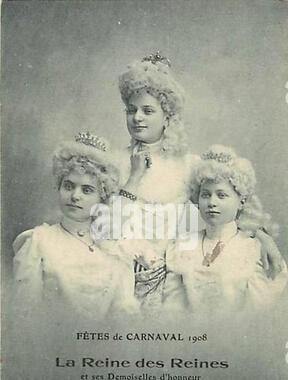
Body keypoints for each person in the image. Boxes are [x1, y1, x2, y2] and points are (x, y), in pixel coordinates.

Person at [117, 52, 283, 315]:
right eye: (131, 110)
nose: (138, 118)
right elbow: (102, 225)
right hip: (123, 274)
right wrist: (133, 178)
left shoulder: (189, 164)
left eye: (148, 110)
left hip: (178, 276)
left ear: (168, 116)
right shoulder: (114, 164)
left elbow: (234, 206)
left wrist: (264, 238)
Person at [13, 132, 138, 318]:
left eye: (87, 190)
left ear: (102, 197)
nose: (75, 196)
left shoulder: (115, 247)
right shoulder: (39, 241)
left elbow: (125, 315)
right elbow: (25, 312)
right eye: (69, 186)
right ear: (59, 186)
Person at [167, 145, 287, 313]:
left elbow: (259, 315)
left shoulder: (254, 249)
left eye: (221, 195)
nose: (211, 202)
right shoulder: (181, 245)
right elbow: (171, 311)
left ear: (241, 201)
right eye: (205, 194)